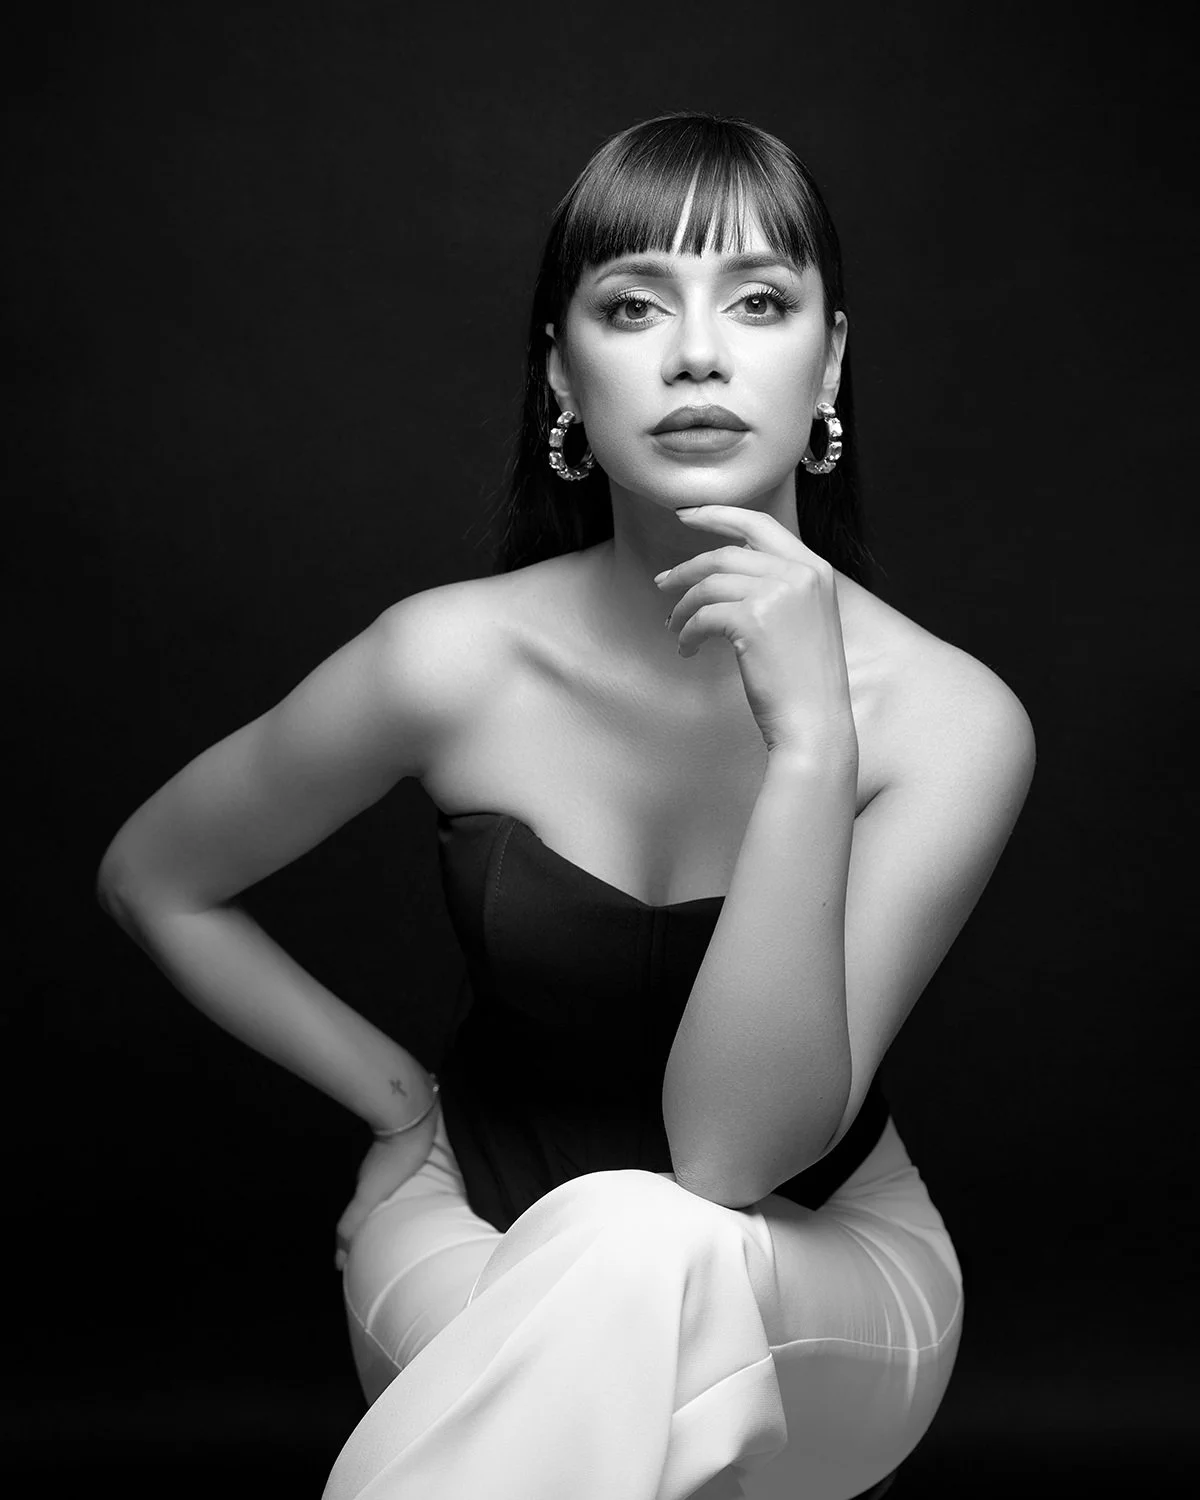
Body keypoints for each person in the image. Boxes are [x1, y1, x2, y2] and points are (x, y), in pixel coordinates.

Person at [96, 111, 1036, 1500]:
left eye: (761, 303)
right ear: (561, 369)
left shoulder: (953, 721)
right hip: (469, 1231)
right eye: (632, 303)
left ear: (830, 359)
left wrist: (810, 749)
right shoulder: (447, 658)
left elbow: (727, 1160)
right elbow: (156, 874)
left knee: (641, 1240)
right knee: (590, 1303)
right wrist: (396, 1103)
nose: (698, 353)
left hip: (817, 1284)